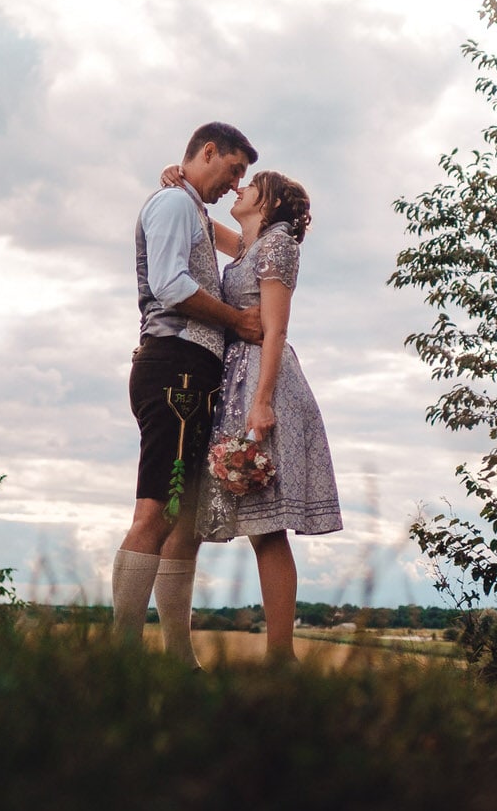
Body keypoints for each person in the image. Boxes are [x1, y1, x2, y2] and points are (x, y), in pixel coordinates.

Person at [162, 165, 343, 663]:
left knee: (269, 525)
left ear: (269, 203)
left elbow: (276, 329)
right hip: (236, 379)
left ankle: (281, 655)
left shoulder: (278, 244)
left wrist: (261, 402)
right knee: (260, 523)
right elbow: (202, 225)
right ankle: (271, 656)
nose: (238, 188)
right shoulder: (250, 247)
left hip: (264, 381)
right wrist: (181, 185)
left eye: (250, 185)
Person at [113, 122, 261, 665]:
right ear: (208, 151)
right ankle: (121, 657)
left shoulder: (190, 207)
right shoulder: (174, 205)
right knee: (157, 510)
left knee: (185, 522)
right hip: (173, 367)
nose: (235, 182)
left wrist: (195, 190)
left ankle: (180, 659)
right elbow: (171, 285)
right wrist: (238, 322)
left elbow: (246, 242)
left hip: (194, 375)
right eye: (233, 169)